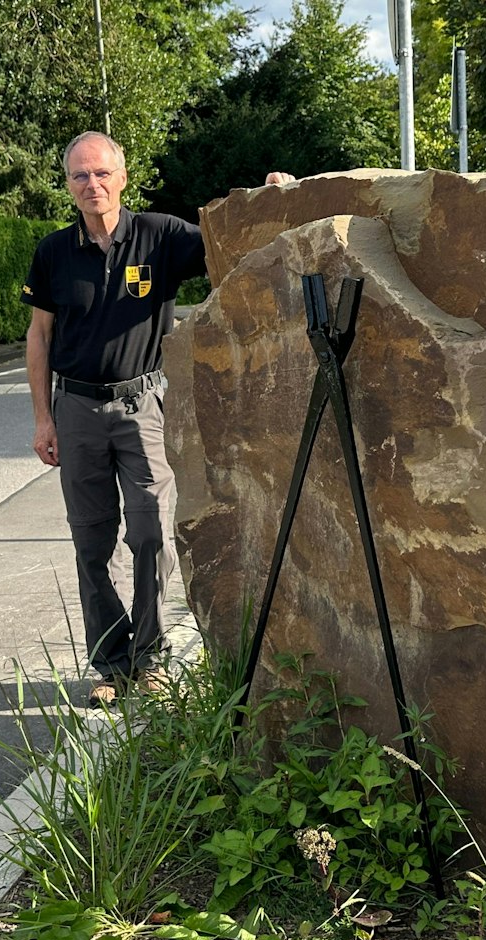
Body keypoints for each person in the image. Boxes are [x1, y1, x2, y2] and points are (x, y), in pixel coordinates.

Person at [22, 133, 289, 706]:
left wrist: (265, 201)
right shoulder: (53, 252)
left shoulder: (161, 236)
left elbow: (230, 243)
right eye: (78, 176)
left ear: (121, 177)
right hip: (76, 409)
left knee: (149, 534)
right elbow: (39, 335)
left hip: (142, 407)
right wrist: (44, 418)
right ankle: (110, 665)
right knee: (93, 541)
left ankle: (151, 658)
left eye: (100, 174)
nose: (91, 185)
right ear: (67, 185)